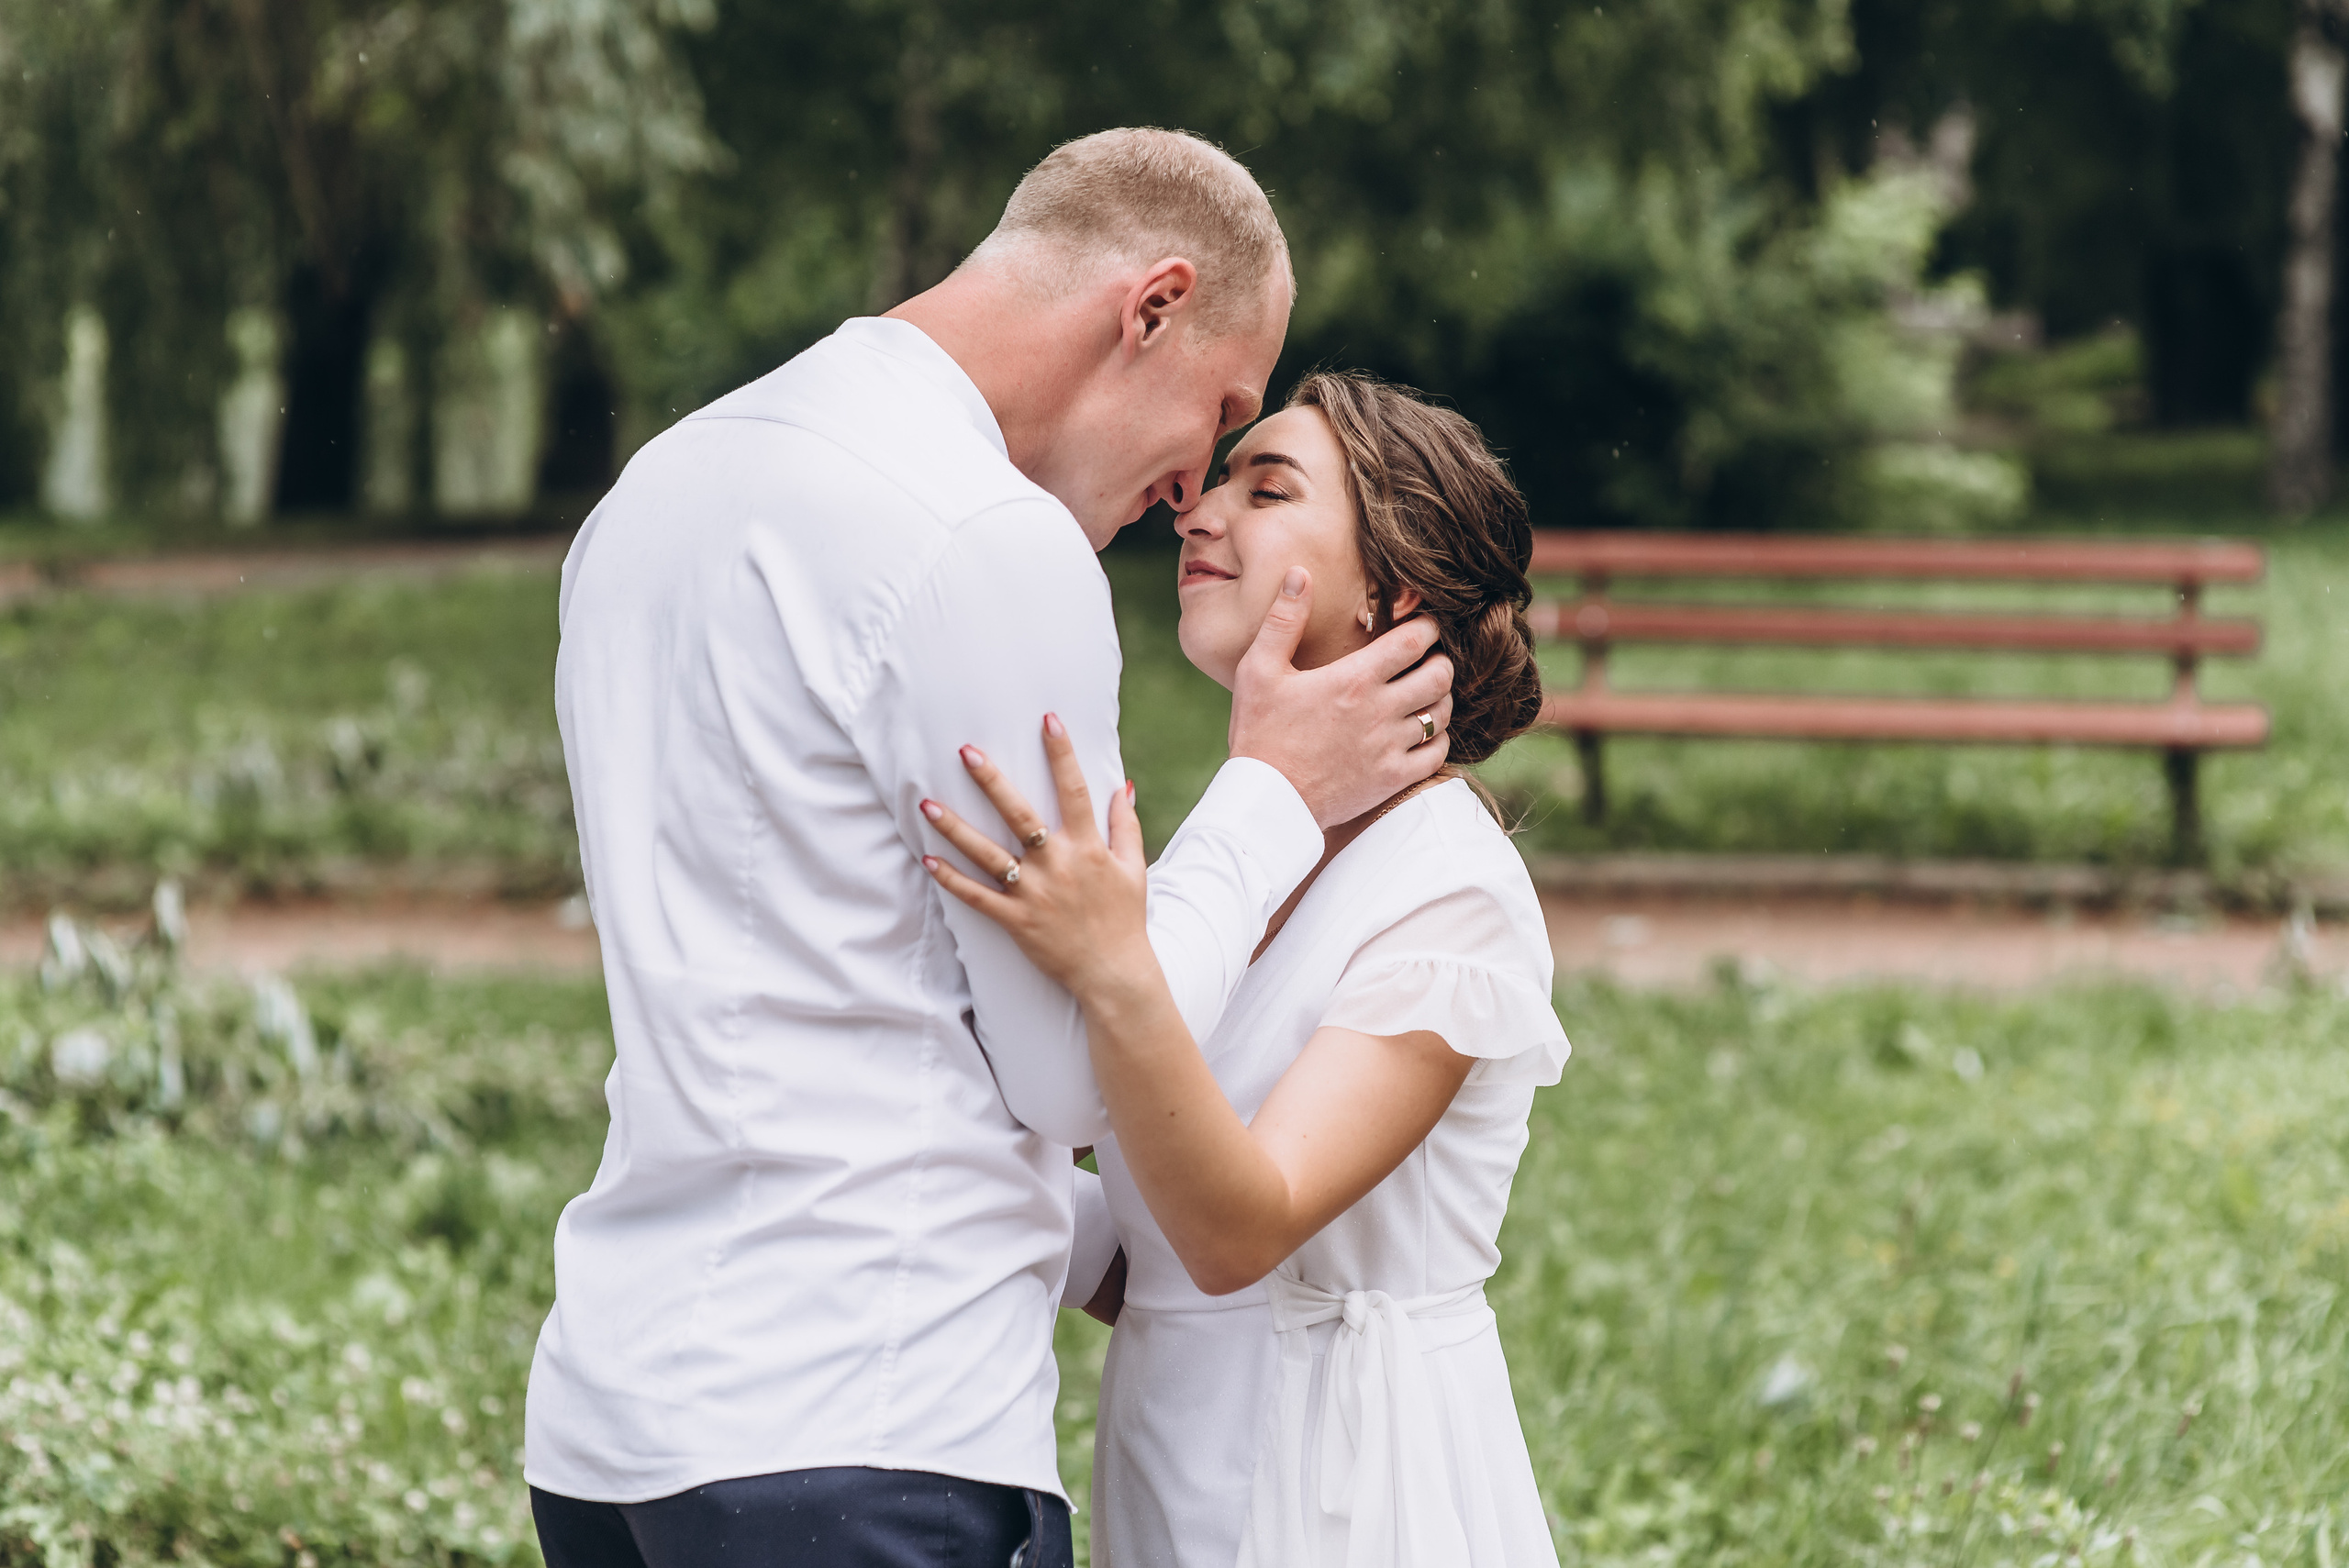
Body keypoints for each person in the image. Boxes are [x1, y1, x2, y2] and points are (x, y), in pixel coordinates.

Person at [525, 134, 1458, 1567]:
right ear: (1151, 305)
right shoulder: (982, 536)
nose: (1190, 489)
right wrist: (1271, 793)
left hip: (612, 1436)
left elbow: (815, 1010)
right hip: (867, 1432)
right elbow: (1076, 1069)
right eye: (1221, 411)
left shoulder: (663, 485)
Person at [922, 370, 1569, 1568]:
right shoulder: (1250, 848)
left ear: (1391, 595)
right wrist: (934, 1140)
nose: (1198, 512)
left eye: (1266, 491)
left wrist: (1112, 969)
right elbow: (1153, 1255)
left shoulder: (1450, 889)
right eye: (1217, 480)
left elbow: (1236, 1231)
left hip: (1343, 1488)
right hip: (1175, 1466)